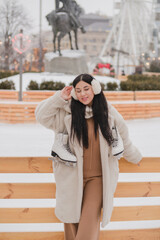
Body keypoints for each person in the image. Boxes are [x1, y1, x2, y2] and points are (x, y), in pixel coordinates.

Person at [35, 73, 142, 240]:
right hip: (71, 177)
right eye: (78, 90)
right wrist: (59, 98)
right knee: (71, 224)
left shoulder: (108, 113)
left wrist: (134, 156)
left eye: (86, 89)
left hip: (98, 179)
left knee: (88, 222)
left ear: (95, 89)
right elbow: (41, 117)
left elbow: (123, 135)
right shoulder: (66, 112)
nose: (82, 94)